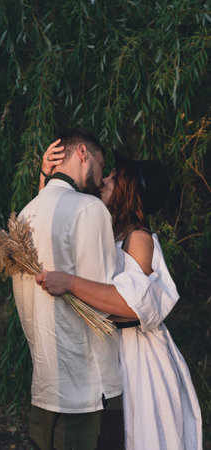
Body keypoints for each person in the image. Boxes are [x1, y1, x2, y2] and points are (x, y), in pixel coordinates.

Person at [36, 143, 203, 450]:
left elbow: (131, 305)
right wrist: (47, 177)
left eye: (113, 176)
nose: (104, 180)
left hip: (135, 358)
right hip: (109, 351)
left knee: (135, 436)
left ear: (128, 190)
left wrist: (71, 283)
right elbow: (51, 226)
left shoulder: (138, 238)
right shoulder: (106, 229)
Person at [12, 128, 125, 450]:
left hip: (47, 383)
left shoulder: (25, 214)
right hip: (89, 390)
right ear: (83, 154)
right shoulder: (88, 209)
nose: (101, 178)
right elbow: (103, 301)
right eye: (102, 165)